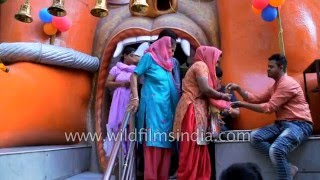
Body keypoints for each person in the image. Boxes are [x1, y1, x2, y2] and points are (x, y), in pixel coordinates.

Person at [226, 54, 313, 180]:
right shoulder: (275, 86)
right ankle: (288, 167)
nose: (267, 69)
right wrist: (238, 89)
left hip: (300, 124)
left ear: (281, 67)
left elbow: (268, 108)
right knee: (255, 137)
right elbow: (255, 99)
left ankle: (286, 174)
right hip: (282, 124)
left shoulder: (287, 84)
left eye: (271, 67)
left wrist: (242, 105)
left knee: (276, 149)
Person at [173, 46, 231, 180]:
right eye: (216, 61)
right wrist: (223, 97)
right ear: (209, 56)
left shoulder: (202, 67)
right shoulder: (201, 66)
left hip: (197, 108)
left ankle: (199, 176)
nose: (216, 64)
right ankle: (188, 176)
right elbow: (205, 89)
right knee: (191, 145)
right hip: (192, 109)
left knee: (199, 144)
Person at [129, 36, 179, 180]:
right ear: (164, 47)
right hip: (152, 109)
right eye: (172, 50)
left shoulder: (167, 64)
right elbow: (134, 76)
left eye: (174, 51)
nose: (173, 54)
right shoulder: (149, 57)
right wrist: (135, 97)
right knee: (153, 145)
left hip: (167, 110)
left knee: (166, 146)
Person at [104, 46, 139, 156]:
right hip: (118, 98)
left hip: (130, 97)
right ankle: (119, 153)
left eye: (135, 55)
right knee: (116, 124)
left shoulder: (137, 69)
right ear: (124, 55)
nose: (133, 58)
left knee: (129, 125)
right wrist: (121, 84)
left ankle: (129, 154)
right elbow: (107, 83)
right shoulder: (116, 68)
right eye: (131, 55)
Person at [215, 66, 240, 131]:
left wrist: (229, 110)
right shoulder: (206, 91)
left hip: (224, 127)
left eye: (212, 78)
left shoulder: (227, 91)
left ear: (219, 79)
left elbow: (237, 113)